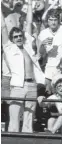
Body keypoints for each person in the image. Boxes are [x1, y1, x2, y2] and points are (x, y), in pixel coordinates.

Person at [3, 3, 45, 133]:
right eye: (15, 37)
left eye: (20, 35)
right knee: (14, 115)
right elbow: (3, 27)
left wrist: (31, 3)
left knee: (29, 116)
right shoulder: (9, 49)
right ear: (12, 39)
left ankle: (27, 138)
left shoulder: (27, 45)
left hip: (32, 85)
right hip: (18, 86)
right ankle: (12, 140)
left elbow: (29, 21)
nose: (19, 38)